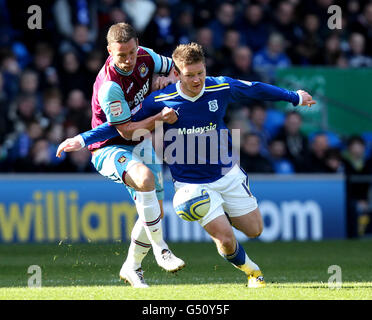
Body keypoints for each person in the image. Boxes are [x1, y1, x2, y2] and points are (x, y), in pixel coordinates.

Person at [57, 42, 316, 288]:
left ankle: (223, 212)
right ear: (177, 74)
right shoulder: (159, 101)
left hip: (226, 173)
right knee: (226, 240)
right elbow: (121, 124)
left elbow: (256, 88)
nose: (196, 80)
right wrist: (81, 139)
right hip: (192, 184)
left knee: (255, 229)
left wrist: (294, 97)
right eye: (190, 75)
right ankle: (253, 272)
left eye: (200, 73)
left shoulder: (220, 86)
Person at [58, 22, 185, 288]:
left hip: (140, 139)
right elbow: (125, 131)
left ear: (137, 45)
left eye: (130, 53)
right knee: (145, 177)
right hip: (108, 146)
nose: (127, 60)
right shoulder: (109, 86)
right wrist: (159, 117)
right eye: (121, 55)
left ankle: (132, 267)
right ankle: (162, 250)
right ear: (109, 51)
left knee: (155, 212)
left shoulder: (147, 57)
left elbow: (175, 67)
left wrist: (169, 80)